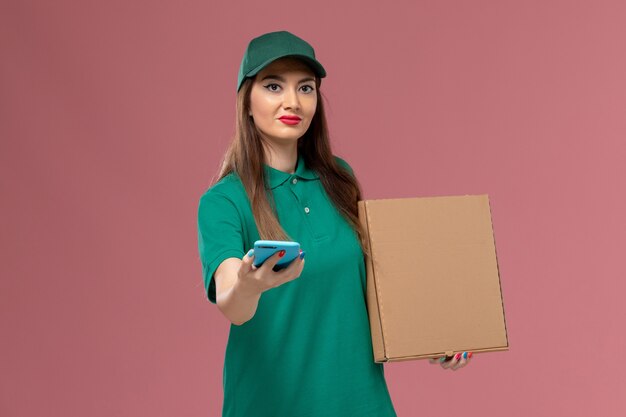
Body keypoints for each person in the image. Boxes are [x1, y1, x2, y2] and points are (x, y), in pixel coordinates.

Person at [197, 30, 472, 417]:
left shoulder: (339, 179)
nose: (292, 101)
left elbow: (370, 290)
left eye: (305, 88)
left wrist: (436, 333)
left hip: (360, 403)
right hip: (272, 405)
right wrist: (248, 284)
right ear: (247, 100)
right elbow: (231, 302)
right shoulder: (223, 201)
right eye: (274, 86)